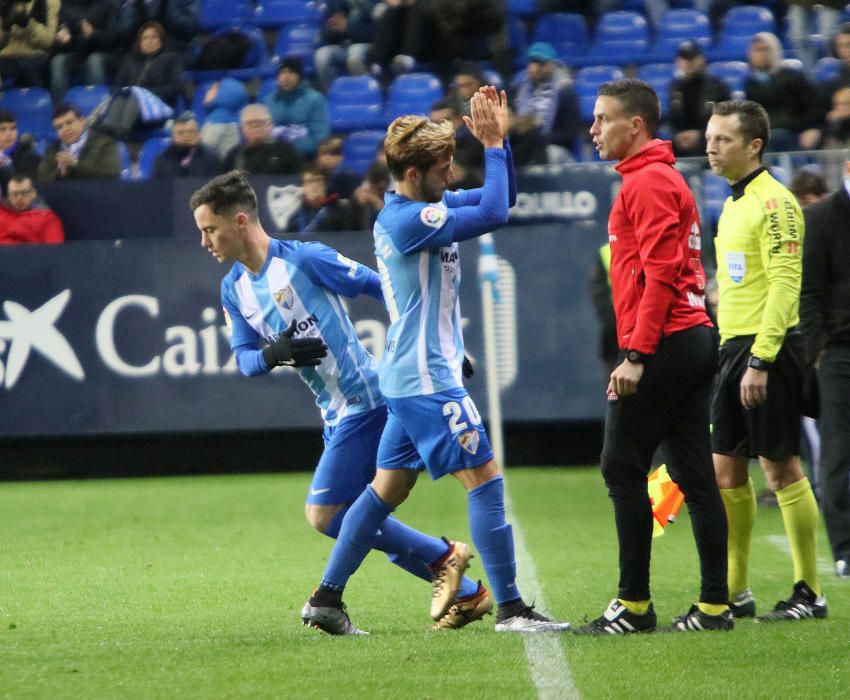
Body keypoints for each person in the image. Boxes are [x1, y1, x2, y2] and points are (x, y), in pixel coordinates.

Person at [300, 86, 571, 635]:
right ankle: (513, 610)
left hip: (412, 376)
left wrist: (502, 145)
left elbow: (505, 197)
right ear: (413, 173)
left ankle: (326, 598)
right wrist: (491, 144)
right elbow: (493, 209)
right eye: (444, 168)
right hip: (425, 378)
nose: (451, 177)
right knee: (486, 482)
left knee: (385, 492)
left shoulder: (427, 205)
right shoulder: (405, 221)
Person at [189, 170, 488, 634]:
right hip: (334, 413)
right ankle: (465, 589)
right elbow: (246, 360)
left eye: (210, 229)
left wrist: (438, 342)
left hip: (366, 400)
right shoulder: (234, 288)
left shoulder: (304, 260)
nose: (204, 241)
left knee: (325, 514)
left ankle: (435, 563)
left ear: (241, 221)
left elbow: (384, 288)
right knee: (357, 521)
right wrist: (274, 353)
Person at [574, 79, 731, 635]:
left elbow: (661, 273)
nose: (593, 130)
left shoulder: (646, 183)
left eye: (601, 119)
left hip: (665, 340)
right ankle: (715, 605)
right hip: (687, 337)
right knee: (693, 472)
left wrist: (636, 353)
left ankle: (634, 606)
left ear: (634, 125)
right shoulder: (660, 179)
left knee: (621, 464)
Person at [705, 99, 826, 621]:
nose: (711, 147)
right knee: (727, 471)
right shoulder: (734, 202)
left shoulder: (775, 203)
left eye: (723, 139)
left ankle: (809, 591)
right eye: (709, 137)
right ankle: (736, 589)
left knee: (780, 468)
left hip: (764, 349)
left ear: (754, 146)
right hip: (733, 346)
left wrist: (762, 358)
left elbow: (784, 283)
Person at [799, 159, 850, 580]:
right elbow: (809, 291)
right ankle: (845, 547)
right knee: (837, 449)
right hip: (840, 352)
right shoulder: (819, 218)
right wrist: (820, 350)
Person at [744, 32, 820, 152]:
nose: (761, 54)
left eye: (765, 50)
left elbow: (812, 107)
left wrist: (813, 129)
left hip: (794, 133)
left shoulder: (794, 78)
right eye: (757, 50)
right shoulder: (751, 84)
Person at [512, 42, 581, 163]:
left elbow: (569, 135)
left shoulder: (565, 93)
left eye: (541, 64)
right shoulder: (518, 91)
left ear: (552, 65)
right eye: (532, 62)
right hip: (525, 143)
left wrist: (538, 138)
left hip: (556, 146)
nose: (535, 68)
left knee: (548, 153)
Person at [668, 40, 731, 158]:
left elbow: (727, 120)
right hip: (681, 147)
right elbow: (672, 120)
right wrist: (678, 136)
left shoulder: (718, 86)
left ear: (702, 59)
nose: (688, 62)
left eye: (692, 58)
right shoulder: (674, 87)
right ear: (678, 62)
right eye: (684, 58)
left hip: (713, 147)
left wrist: (701, 135)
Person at [49, 0, 118, 102]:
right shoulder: (68, 4)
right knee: (58, 61)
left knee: (94, 60)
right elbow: (63, 30)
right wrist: (63, 35)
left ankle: (96, 110)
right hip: (77, 54)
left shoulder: (109, 4)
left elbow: (114, 39)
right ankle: (60, 110)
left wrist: (93, 34)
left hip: (103, 54)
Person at [263, 56, 329, 160]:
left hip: (305, 158)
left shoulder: (315, 99)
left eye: (292, 72)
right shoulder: (268, 101)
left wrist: (288, 151)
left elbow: (320, 136)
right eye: (282, 72)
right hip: (271, 157)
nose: (286, 77)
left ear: (300, 76)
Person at [36, 103, 121, 182]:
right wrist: (60, 174)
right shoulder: (52, 149)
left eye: (69, 122)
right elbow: (41, 180)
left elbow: (112, 176)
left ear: (82, 121)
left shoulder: (104, 143)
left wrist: (75, 165)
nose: (65, 129)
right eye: (59, 127)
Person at [112, 20, 185, 109]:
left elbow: (177, 87)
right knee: (118, 103)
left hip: (159, 103)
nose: (149, 41)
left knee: (132, 103)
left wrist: (145, 93)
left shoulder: (172, 58)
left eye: (154, 37)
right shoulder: (130, 59)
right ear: (139, 42)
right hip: (130, 102)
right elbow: (117, 85)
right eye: (145, 38)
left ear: (161, 39)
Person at [223, 103, 301, 176]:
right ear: (242, 128)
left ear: (270, 125)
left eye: (260, 123)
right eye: (250, 124)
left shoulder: (286, 151)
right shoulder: (235, 154)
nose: (256, 127)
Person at [0, 0, 59, 87]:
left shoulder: (50, 2)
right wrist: (5, 28)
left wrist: (28, 24)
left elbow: (50, 42)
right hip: (8, 56)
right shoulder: (6, 3)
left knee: (28, 66)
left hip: (35, 55)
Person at [152, 112, 220, 178]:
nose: (186, 135)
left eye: (191, 132)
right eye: (181, 132)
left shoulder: (212, 158)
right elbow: (156, 187)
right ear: (173, 137)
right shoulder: (162, 160)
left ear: (199, 135)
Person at [0, 174, 63, 244]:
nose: (19, 198)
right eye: (14, 194)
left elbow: (55, 251)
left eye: (24, 193)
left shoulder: (48, 218)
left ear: (33, 193)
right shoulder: (1, 212)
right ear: (8, 196)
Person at [197, 77, 249, 161]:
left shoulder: (217, 121)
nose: (208, 91)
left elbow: (203, 150)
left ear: (223, 94)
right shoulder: (237, 120)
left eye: (214, 89)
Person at [0, 108, 40, 193]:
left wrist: (4, 169)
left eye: (13, 128)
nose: (9, 134)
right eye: (3, 129)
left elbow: (24, 188)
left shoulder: (28, 154)